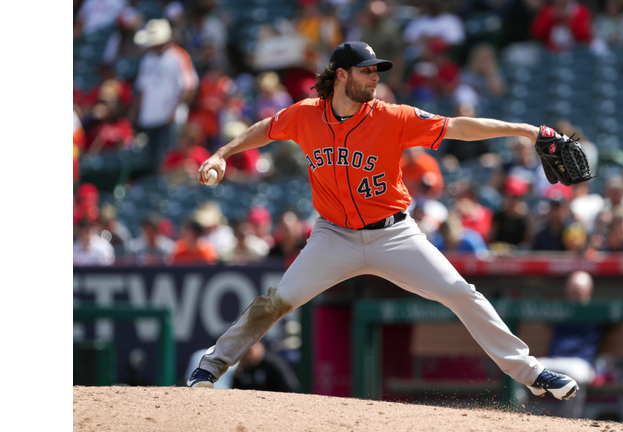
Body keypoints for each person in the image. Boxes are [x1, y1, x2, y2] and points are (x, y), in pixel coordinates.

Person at [187, 41, 579, 401]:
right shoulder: (306, 115)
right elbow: (267, 129)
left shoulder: (393, 117)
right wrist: (223, 152)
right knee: (276, 303)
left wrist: (528, 131)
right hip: (332, 237)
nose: (375, 77)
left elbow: (458, 126)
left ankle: (532, 373)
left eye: (378, 71)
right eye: (366, 70)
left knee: (461, 293)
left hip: (394, 235)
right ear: (341, 75)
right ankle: (211, 365)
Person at [529, 270, 605, 418]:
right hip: (555, 360)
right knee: (526, 370)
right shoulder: (559, 311)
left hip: (580, 363)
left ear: (588, 291)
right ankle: (522, 421)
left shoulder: (597, 313)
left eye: (578, 291)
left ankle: (569, 424)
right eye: (571, 290)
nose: (573, 294)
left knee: (575, 377)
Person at [130, 18, 199, 174]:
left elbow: (189, 87)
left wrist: (175, 111)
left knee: (167, 159)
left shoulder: (179, 56)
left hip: (169, 119)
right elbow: (141, 89)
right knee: (151, 161)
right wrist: (134, 115)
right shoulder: (147, 59)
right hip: (148, 118)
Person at [231, 340, 301, 392]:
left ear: (261, 347)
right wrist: (238, 373)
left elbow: (290, 386)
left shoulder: (272, 363)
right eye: (244, 351)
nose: (247, 354)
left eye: (250, 350)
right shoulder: (243, 368)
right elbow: (236, 391)